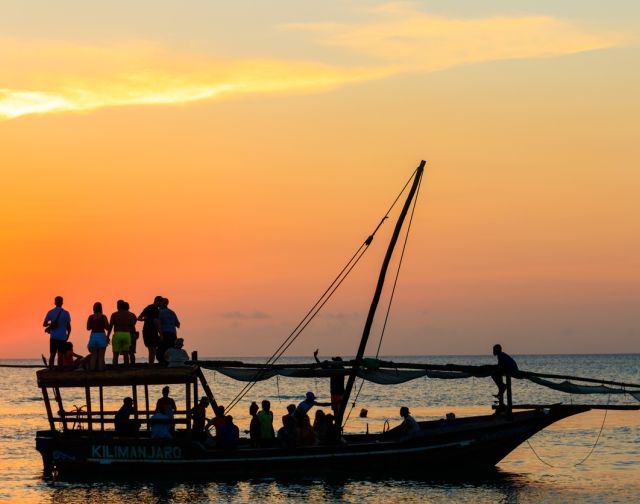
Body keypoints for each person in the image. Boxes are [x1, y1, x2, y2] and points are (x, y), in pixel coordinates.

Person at [43, 296, 71, 370]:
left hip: (53, 337)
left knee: (52, 355)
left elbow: (44, 324)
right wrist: (68, 335)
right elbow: (69, 327)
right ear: (62, 303)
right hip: (62, 337)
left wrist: (51, 324)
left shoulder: (50, 312)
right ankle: (60, 370)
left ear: (55, 302)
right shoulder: (66, 313)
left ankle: (51, 370)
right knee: (60, 355)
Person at [314, 349, 345, 414]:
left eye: (334, 361)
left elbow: (322, 366)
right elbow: (321, 366)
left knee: (339, 412)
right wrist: (315, 357)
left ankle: (337, 423)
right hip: (334, 393)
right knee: (336, 412)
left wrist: (316, 357)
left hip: (339, 394)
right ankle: (336, 423)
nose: (333, 363)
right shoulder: (333, 369)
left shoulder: (341, 370)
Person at [107, 300, 135, 366]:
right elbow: (132, 325)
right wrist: (133, 334)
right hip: (126, 334)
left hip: (117, 334)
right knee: (126, 353)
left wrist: (107, 336)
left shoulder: (114, 314)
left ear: (118, 306)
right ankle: (126, 367)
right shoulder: (129, 314)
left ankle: (115, 367)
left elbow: (110, 326)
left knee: (115, 354)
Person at [138, 295, 163, 365]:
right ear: (158, 301)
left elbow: (139, 318)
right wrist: (161, 334)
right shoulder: (155, 309)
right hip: (152, 330)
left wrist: (145, 319)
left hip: (145, 330)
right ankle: (151, 364)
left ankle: (150, 363)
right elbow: (156, 322)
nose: (162, 304)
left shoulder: (148, 307)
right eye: (161, 302)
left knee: (151, 349)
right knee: (153, 349)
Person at [86, 301, 109, 371]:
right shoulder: (103, 317)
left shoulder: (90, 317)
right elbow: (107, 328)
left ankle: (92, 370)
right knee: (101, 356)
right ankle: (101, 370)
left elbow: (88, 328)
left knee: (94, 355)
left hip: (93, 335)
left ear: (94, 308)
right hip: (101, 335)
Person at [158, 298, 180, 365]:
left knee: (162, 348)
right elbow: (178, 324)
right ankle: (170, 362)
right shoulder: (172, 312)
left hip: (164, 333)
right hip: (172, 333)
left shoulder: (159, 312)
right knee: (172, 348)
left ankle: (162, 363)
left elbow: (157, 322)